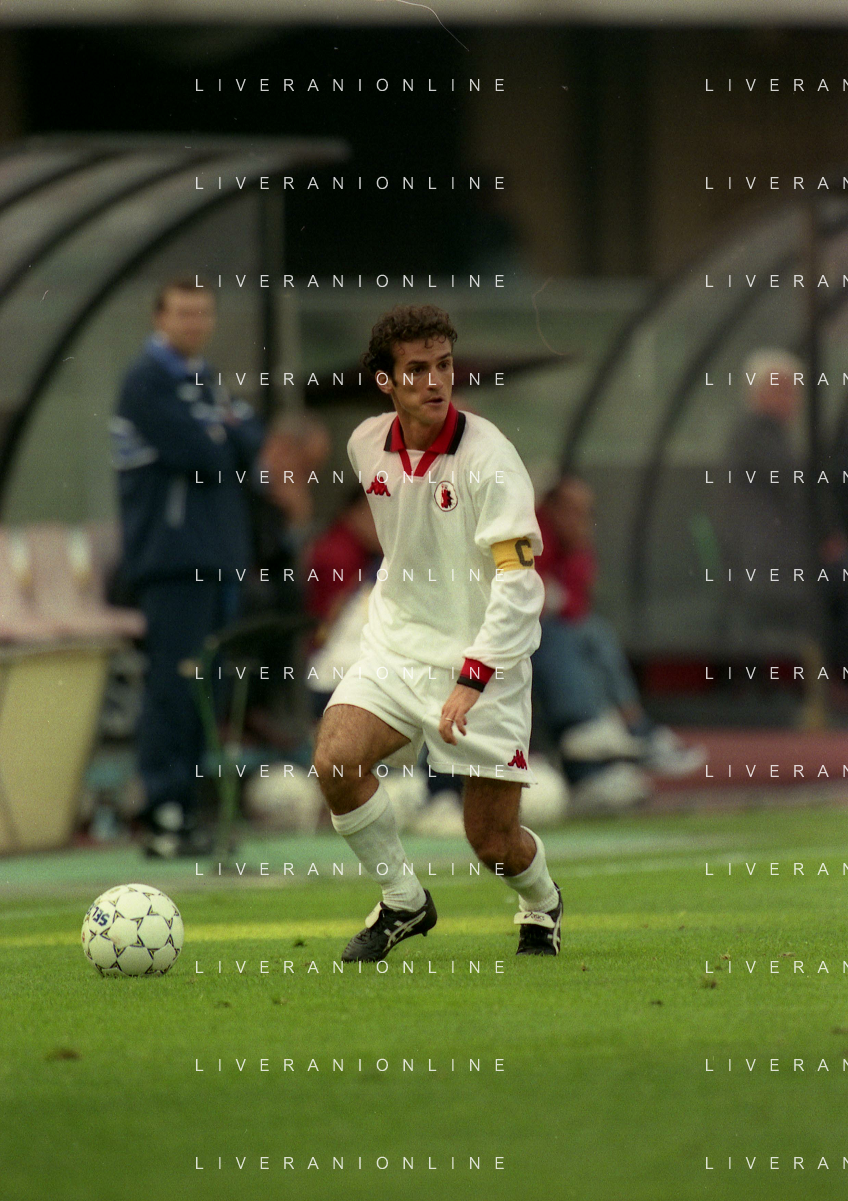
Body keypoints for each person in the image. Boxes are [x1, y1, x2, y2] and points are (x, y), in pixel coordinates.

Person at [313, 304, 562, 959]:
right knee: (335, 761)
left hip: (485, 659)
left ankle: (541, 902)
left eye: (444, 366)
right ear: (385, 381)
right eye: (417, 369)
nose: (435, 381)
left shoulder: (492, 459)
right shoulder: (364, 443)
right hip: (395, 646)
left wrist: (474, 676)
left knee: (493, 843)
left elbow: (520, 584)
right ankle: (403, 900)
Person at [110, 276, 265, 858]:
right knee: (174, 686)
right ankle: (162, 812)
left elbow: (250, 439)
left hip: (217, 557)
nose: (194, 323)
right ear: (160, 317)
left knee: (208, 686)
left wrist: (222, 431)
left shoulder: (205, 378)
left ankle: (191, 810)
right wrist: (222, 432)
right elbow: (203, 452)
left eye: (202, 312)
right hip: (174, 560)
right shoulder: (146, 380)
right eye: (183, 312)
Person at [533, 476, 705, 810]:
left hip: (554, 637)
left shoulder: (576, 546)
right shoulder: (531, 533)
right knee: (568, 635)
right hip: (513, 644)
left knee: (590, 635)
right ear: (550, 509)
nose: (581, 520)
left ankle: (604, 745)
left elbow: (575, 603)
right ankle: (618, 732)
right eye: (571, 510)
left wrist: (558, 586)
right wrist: (551, 596)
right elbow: (530, 598)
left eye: (587, 512)